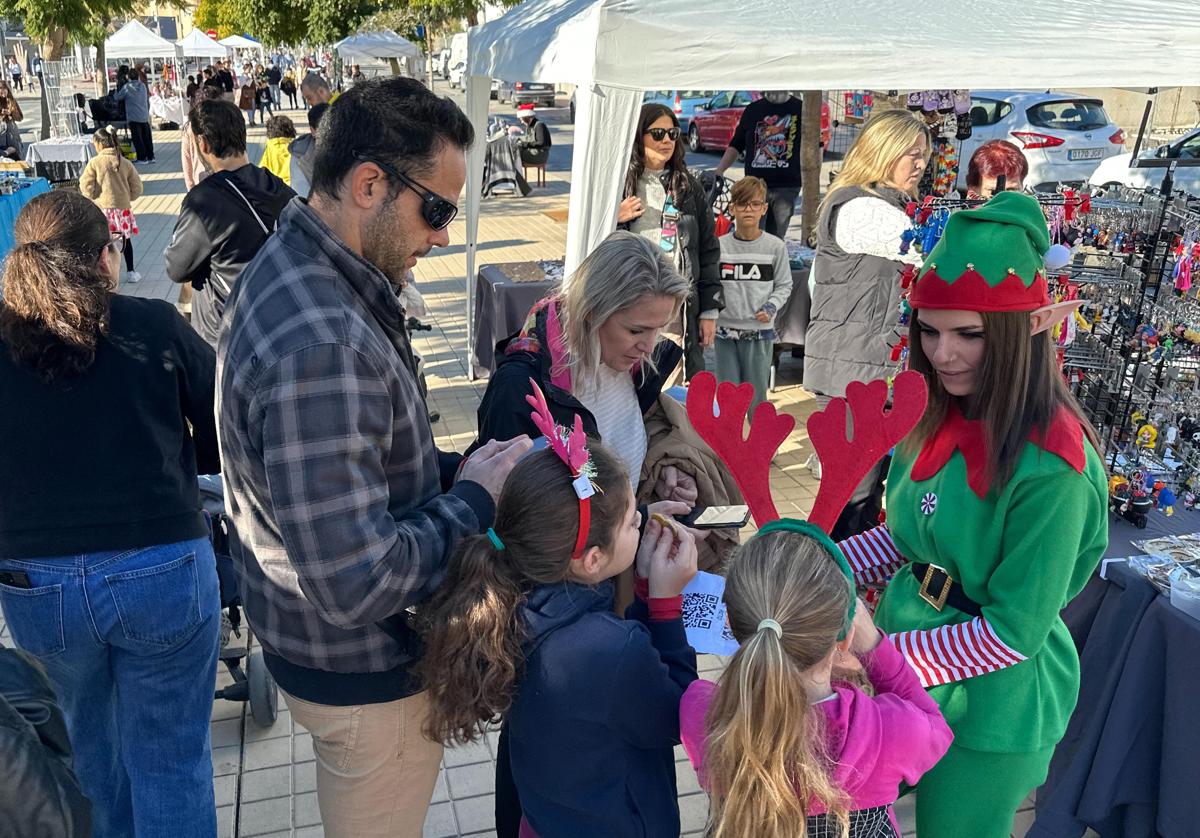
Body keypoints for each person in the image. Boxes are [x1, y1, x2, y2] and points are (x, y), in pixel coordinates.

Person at [218, 77, 529, 838]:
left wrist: (452, 468)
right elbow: (357, 578)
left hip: (317, 649)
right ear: (368, 185)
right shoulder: (324, 340)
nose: (444, 236)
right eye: (437, 210)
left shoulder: (304, 265)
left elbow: (357, 468)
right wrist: (475, 501)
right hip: (361, 676)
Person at [838, 191, 1108, 838]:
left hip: (991, 704)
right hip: (903, 666)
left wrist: (874, 656)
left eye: (969, 334)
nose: (942, 353)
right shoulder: (934, 415)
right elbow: (906, 539)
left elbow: (1014, 632)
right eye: (928, 330)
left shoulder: (1054, 469)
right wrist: (809, 562)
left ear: (1024, 334)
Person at [0, 190, 221, 838]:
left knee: (92, 754)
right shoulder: (154, 326)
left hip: (37, 590)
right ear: (105, 257)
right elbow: (219, 440)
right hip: (161, 568)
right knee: (172, 764)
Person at [420, 441, 699, 838]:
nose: (641, 520)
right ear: (592, 560)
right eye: (631, 521)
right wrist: (665, 603)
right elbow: (678, 717)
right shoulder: (608, 650)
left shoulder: (506, 604)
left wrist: (640, 585)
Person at [680, 523, 953, 838]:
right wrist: (876, 649)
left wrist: (660, 602)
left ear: (729, 622)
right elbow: (936, 726)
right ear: (846, 636)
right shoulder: (892, 730)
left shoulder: (701, 712)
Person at [803, 108, 930, 539]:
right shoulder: (864, 208)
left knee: (859, 504)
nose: (921, 164)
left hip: (863, 371)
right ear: (882, 152)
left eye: (925, 155)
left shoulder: (882, 204)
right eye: (911, 154)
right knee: (847, 505)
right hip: (853, 376)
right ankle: (817, 598)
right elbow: (931, 254)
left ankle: (844, 598)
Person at [165, 99, 294, 348]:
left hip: (226, 329)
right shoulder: (277, 186)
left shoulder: (204, 199)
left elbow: (176, 267)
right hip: (275, 319)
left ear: (202, 143)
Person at [618, 102, 723, 380]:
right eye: (657, 133)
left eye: (673, 134)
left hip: (676, 308)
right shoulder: (618, 184)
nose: (666, 141)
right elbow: (592, 245)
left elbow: (709, 250)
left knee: (670, 389)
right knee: (627, 382)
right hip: (629, 303)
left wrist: (709, 310)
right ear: (639, 136)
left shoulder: (689, 186)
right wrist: (613, 218)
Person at [714, 175, 792, 411]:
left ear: (764, 209)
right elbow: (710, 285)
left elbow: (784, 284)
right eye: (742, 203)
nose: (748, 209)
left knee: (756, 397)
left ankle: (759, 445)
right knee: (727, 396)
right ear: (732, 208)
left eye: (755, 204)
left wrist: (770, 307)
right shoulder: (719, 246)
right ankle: (728, 445)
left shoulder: (775, 247)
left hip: (759, 334)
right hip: (724, 333)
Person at [714, 91, 805, 237]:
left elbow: (814, 146)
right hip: (755, 185)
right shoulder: (753, 110)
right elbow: (737, 144)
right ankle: (751, 260)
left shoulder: (800, 109)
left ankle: (771, 260)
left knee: (775, 239)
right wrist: (720, 170)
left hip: (786, 186)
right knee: (750, 235)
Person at [79, 125, 144, 283]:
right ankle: (131, 271)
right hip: (123, 210)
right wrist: (128, 197)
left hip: (102, 209)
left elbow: (85, 184)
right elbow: (137, 187)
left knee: (103, 243)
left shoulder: (95, 162)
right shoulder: (125, 162)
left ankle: (104, 273)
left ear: (100, 144)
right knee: (125, 241)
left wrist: (92, 196)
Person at [182, 83, 227, 190]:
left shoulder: (190, 127)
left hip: (200, 180)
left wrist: (191, 188)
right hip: (225, 180)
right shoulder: (225, 122)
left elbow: (186, 160)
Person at [288, 102, 327, 198]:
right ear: (312, 130)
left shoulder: (350, 146)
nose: (331, 133)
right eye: (324, 129)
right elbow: (302, 194)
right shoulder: (300, 154)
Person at [115, 65, 154, 164]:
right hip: (144, 115)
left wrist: (115, 93)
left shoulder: (127, 87)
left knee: (138, 139)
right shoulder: (143, 86)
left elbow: (118, 97)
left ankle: (142, 158)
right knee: (147, 138)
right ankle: (151, 156)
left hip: (133, 116)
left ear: (128, 77)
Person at [259, 114, 296, 185]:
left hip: (274, 189)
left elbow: (261, 171)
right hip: (293, 187)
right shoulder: (294, 147)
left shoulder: (270, 147)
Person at [0, 79, 23, 160]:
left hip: (12, 134)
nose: (3, 94)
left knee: (16, 159)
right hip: (1, 135)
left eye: (5, 91)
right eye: (1, 92)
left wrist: (10, 113)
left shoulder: (11, 100)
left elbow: (20, 117)